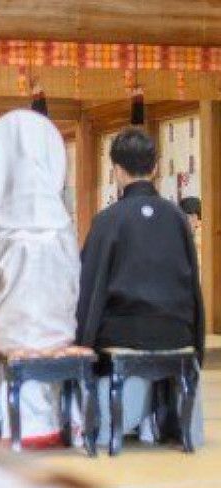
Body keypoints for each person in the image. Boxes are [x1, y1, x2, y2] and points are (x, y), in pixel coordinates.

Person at [0, 109, 80, 448]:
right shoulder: (63, 225)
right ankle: (56, 424)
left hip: (6, 331)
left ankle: (0, 426)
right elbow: (74, 283)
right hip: (55, 329)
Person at [77, 128, 205, 445]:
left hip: (124, 332)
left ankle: (121, 421)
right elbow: (193, 286)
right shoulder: (178, 218)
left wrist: (82, 342)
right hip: (176, 331)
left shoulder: (108, 220)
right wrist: (197, 339)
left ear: (116, 170)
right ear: (156, 167)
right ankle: (159, 420)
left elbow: (90, 287)